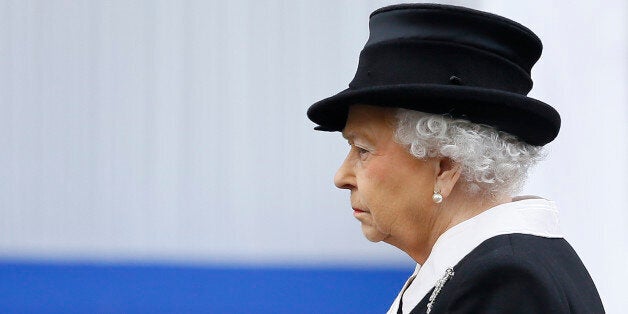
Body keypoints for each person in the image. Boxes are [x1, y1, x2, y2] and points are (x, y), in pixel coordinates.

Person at [307, 3, 604, 314]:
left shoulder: (504, 281)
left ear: (444, 168)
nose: (341, 176)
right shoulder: (485, 267)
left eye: (363, 150)